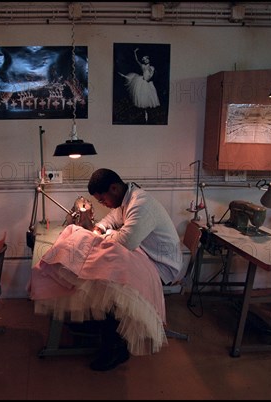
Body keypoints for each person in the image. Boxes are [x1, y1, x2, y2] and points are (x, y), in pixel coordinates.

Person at [86, 168, 183, 371]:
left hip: (162, 266)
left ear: (113, 188)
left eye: (102, 200)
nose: (103, 204)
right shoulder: (126, 199)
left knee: (111, 285)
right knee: (105, 269)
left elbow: (126, 242)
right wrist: (100, 228)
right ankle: (104, 330)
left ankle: (116, 349)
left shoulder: (141, 204)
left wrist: (104, 236)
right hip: (145, 255)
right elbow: (112, 219)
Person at [118, 47, 160, 122]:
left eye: (146, 59)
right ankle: (145, 114)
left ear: (148, 59)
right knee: (142, 98)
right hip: (142, 82)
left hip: (148, 83)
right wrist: (135, 52)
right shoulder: (143, 66)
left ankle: (148, 114)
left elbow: (151, 75)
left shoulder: (151, 67)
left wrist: (150, 76)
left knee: (149, 98)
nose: (145, 60)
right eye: (144, 59)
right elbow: (136, 60)